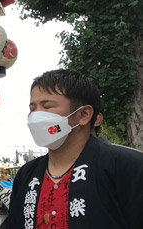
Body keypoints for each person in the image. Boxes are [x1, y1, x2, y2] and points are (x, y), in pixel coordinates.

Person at [8, 69, 143, 228]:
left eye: (47, 106)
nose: (36, 116)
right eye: (32, 108)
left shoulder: (127, 166)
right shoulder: (27, 174)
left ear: (84, 114)